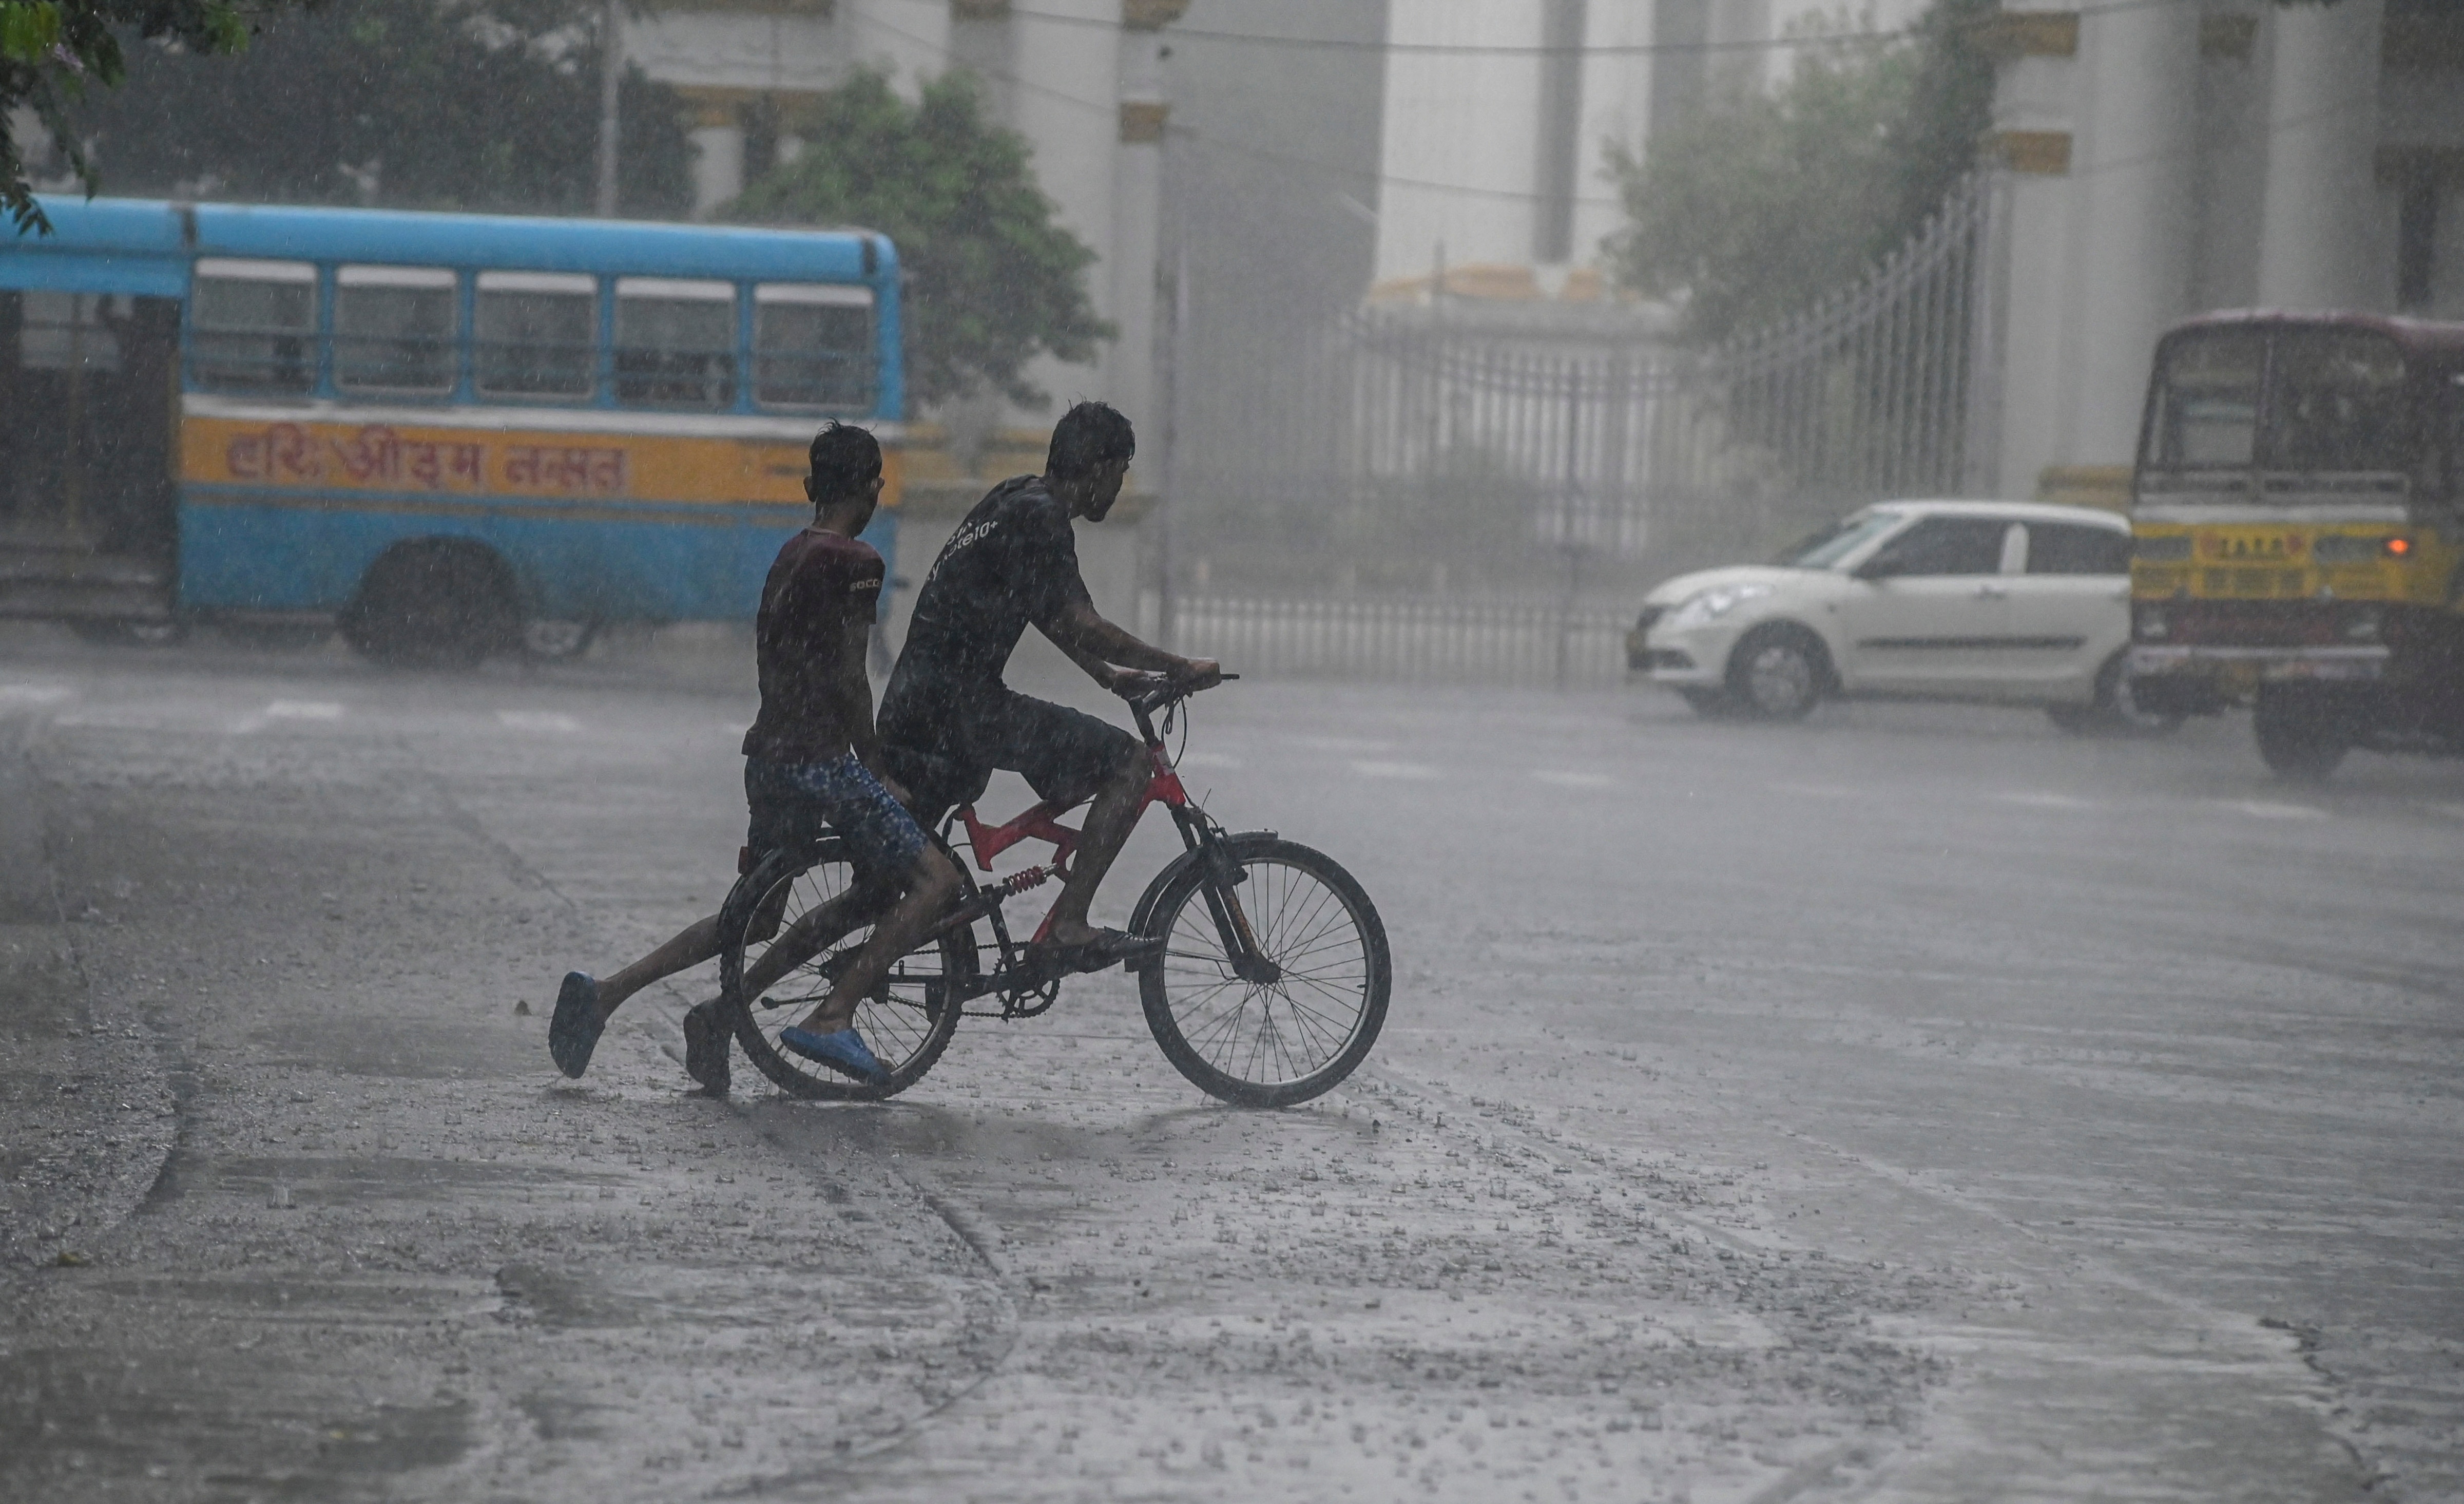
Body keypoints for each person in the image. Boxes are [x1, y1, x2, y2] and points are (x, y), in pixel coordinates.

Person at [547, 423, 961, 1093]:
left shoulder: (791, 553)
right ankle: (833, 1015)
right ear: (873, 487)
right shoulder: (858, 563)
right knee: (936, 882)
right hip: (821, 762)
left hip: (768, 756)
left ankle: (607, 994)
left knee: (755, 917)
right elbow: (853, 679)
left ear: (808, 488)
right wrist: (877, 768)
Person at [879, 401, 1218, 970]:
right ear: (1102, 468)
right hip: (962, 708)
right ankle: (1067, 923)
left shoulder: (1012, 498)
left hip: (918, 704)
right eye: (1123, 470)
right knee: (1130, 765)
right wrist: (1177, 665)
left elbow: (1047, 612)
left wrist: (1108, 677)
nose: (1120, 484)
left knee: (902, 877)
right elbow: (1081, 620)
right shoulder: (1042, 517)